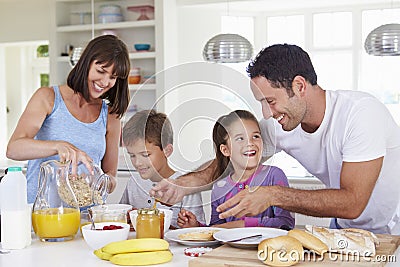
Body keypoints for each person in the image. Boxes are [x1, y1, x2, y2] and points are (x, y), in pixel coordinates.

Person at [151, 44, 400, 235]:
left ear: (299, 86)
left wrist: (273, 195)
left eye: (270, 101)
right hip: (343, 228)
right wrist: (182, 184)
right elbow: (226, 163)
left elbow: (353, 202)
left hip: (391, 229)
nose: (267, 114)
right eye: (262, 103)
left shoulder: (361, 114)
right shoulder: (282, 122)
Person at [6, 35, 130, 203]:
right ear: (86, 63)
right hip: (44, 214)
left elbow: (111, 175)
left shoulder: (110, 115)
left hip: (88, 218)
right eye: (101, 71)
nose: (105, 82)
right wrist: (59, 146)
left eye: (113, 77)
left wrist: (103, 183)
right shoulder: (48, 98)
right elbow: (14, 148)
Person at [177, 110, 294, 229]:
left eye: (255, 136)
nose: (250, 143)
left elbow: (286, 223)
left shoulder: (274, 176)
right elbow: (217, 228)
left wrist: (243, 224)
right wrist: (196, 226)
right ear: (225, 150)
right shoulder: (219, 188)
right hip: (230, 248)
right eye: (240, 138)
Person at [119, 109, 205, 229]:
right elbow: (121, 219)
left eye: (145, 155)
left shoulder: (185, 186)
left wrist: (191, 225)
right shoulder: (134, 183)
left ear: (167, 150)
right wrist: (127, 218)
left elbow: (199, 232)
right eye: (132, 155)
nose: (137, 163)